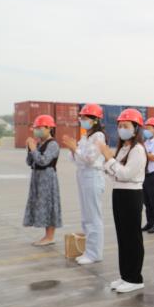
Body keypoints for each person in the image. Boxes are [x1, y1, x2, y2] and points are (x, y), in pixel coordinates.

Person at [99, 108, 148, 294]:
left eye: (126, 125)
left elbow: (126, 174)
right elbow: (114, 174)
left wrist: (109, 159)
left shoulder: (138, 150)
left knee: (132, 237)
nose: (121, 129)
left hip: (131, 195)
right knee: (122, 237)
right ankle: (125, 275)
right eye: (120, 125)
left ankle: (135, 278)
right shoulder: (123, 148)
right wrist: (111, 163)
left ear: (136, 128)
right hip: (119, 193)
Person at [62, 103, 106, 264]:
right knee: (86, 216)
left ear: (95, 120)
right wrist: (73, 149)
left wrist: (75, 149)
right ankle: (89, 251)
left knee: (93, 216)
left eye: (86, 117)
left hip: (92, 176)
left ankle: (95, 254)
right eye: (81, 117)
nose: (82, 120)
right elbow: (75, 159)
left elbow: (90, 159)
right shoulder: (85, 136)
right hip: (83, 175)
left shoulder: (98, 136)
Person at [24, 114, 62, 246]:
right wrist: (30, 149)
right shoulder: (39, 143)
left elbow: (43, 161)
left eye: (39, 128)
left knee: (48, 204)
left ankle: (49, 237)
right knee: (42, 205)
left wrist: (34, 149)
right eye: (36, 128)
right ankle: (47, 236)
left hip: (47, 178)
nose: (37, 131)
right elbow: (30, 162)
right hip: (37, 178)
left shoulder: (53, 144)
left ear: (49, 128)